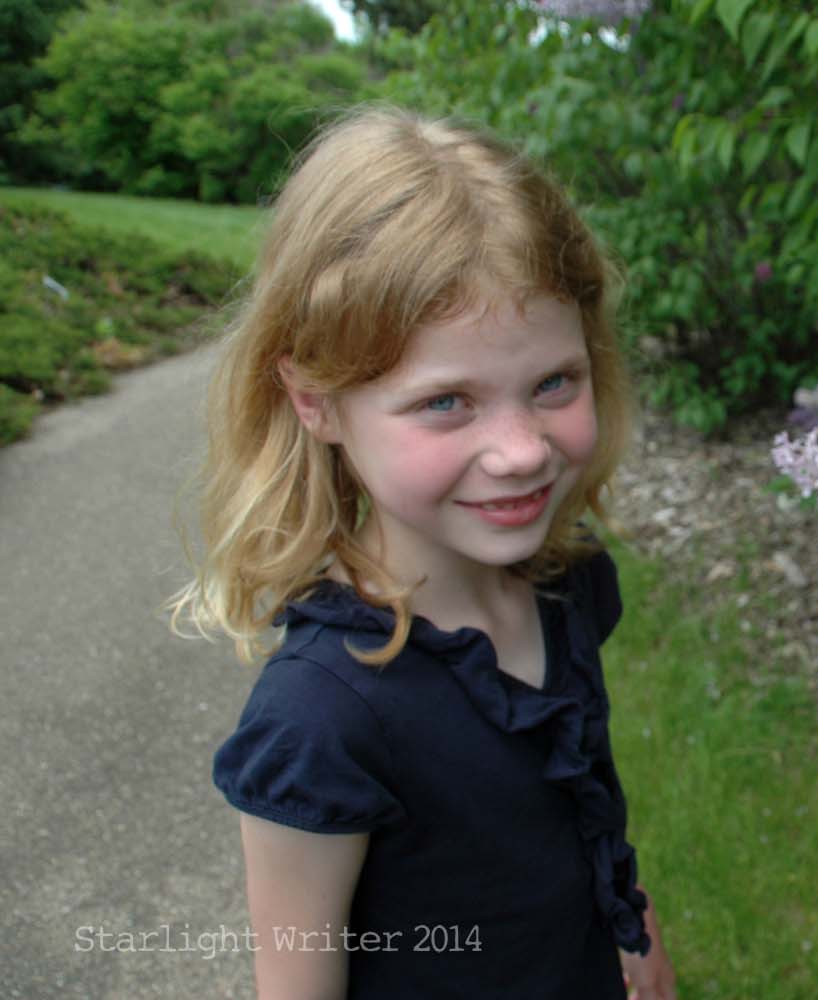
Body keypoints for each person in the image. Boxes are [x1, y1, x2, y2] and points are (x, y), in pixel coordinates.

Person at [171, 106, 676, 999]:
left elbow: (586, 802)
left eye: (553, 382)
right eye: (447, 401)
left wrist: (633, 929)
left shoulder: (566, 585)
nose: (521, 451)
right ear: (316, 400)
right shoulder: (321, 721)